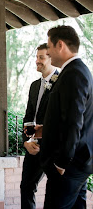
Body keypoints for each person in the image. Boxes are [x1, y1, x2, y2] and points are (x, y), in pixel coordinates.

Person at [39, 25, 93, 208]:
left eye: (49, 47)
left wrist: (61, 163)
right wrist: (45, 129)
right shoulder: (77, 71)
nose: (48, 53)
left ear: (60, 44)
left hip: (69, 165)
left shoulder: (74, 74)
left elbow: (73, 123)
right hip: (77, 162)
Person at [20, 43, 59, 209]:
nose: (37, 61)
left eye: (41, 57)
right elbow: (29, 117)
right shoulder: (34, 85)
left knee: (55, 192)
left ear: (51, 59)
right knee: (26, 187)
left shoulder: (62, 83)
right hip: (33, 145)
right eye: (36, 57)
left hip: (53, 147)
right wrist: (26, 141)